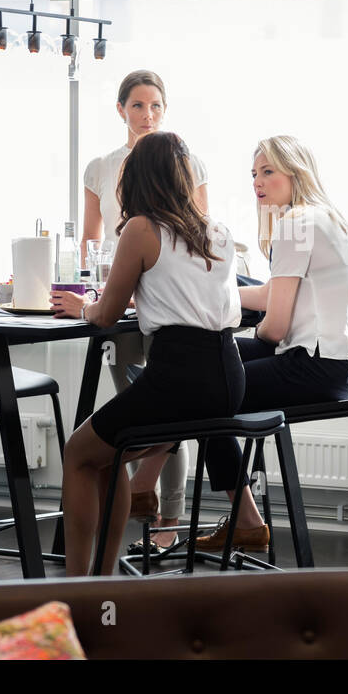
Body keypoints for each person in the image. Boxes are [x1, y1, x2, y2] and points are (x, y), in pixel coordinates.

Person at [53, 131, 242, 576]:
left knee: (79, 453)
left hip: (178, 377)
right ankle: (104, 575)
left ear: (135, 177)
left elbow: (105, 315)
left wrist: (84, 307)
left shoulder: (142, 228)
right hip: (228, 379)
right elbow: (191, 296)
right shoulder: (218, 230)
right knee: (109, 451)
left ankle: (84, 582)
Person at [191, 136, 348, 551]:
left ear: (296, 171)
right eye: (254, 173)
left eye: (269, 171)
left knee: (203, 392)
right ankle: (164, 491)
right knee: (204, 367)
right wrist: (218, 297)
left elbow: (274, 327)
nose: (258, 181)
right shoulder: (320, 217)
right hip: (341, 366)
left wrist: (237, 334)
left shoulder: (295, 224)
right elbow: (274, 293)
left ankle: (246, 523)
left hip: (316, 365)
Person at [77, 70, 208, 549]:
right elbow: (91, 241)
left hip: (163, 304)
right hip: (123, 294)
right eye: (138, 105)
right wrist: (106, 289)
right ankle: (138, 502)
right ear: (121, 110)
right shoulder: (100, 168)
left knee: (162, 409)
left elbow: (194, 238)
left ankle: (166, 524)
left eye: (156, 106)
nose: (147, 115)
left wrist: (100, 304)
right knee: (137, 414)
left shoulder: (184, 163)